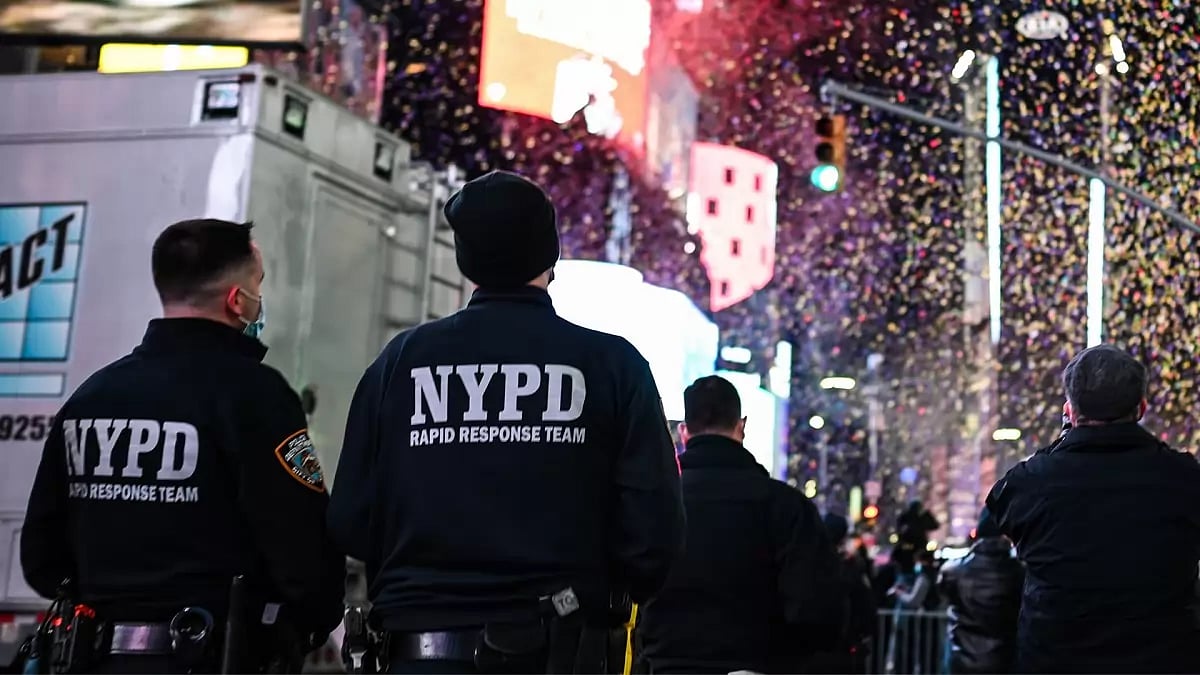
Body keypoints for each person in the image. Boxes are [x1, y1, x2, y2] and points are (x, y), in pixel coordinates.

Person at [327, 170, 685, 674]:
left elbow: (351, 521)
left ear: (465, 260)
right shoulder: (613, 366)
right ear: (551, 257)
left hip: (420, 652)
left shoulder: (400, 362)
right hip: (560, 651)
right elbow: (655, 538)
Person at [19, 219, 345, 673]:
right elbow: (301, 546)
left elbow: (40, 555)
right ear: (237, 300)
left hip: (92, 659)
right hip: (208, 656)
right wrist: (302, 626)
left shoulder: (93, 395)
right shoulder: (255, 395)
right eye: (258, 284)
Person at [986, 344, 1200, 673]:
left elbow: (997, 509)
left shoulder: (1032, 484)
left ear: (1069, 412)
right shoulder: (1185, 480)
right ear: (1141, 408)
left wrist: (1062, 443)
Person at [635, 375, 844, 674]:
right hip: (755, 666)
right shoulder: (786, 506)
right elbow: (819, 613)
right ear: (741, 426)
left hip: (666, 665)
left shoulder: (653, 503)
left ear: (683, 432)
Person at [937, 509, 1023, 674]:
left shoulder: (954, 571)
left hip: (962, 660)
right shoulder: (1018, 573)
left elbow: (942, 591)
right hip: (1003, 660)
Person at [807, 513, 876, 674]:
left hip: (813, 650)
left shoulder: (808, 565)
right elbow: (867, 608)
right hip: (845, 648)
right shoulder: (850, 568)